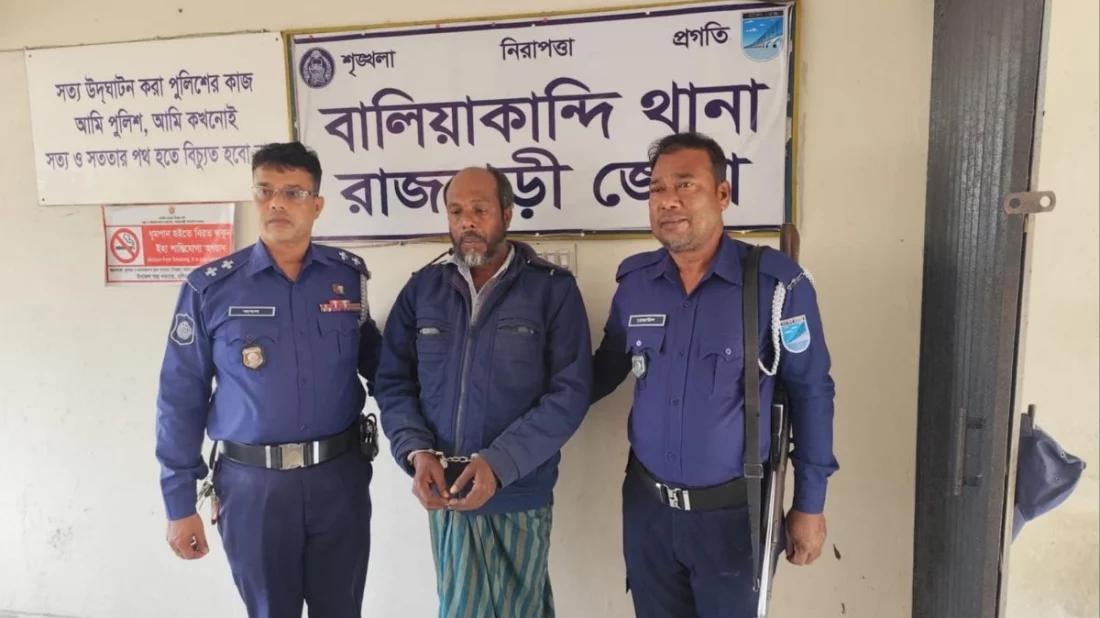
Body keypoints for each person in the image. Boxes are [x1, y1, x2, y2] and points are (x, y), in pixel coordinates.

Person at [591, 132, 838, 618]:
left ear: (723, 194)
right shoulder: (635, 283)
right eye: (657, 189)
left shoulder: (777, 286)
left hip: (734, 519)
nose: (668, 200)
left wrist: (809, 504)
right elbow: (604, 369)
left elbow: (812, 393)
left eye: (686, 185)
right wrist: (532, 411)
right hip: (648, 511)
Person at [154, 141, 382, 618]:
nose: (277, 203)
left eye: (293, 192)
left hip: (338, 481)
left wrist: (422, 443)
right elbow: (180, 397)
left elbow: (382, 369)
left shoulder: (347, 279)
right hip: (253, 489)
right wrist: (179, 502)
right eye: (265, 190)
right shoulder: (210, 288)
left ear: (317, 204)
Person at [375, 165, 593, 618]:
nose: (467, 222)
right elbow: (393, 382)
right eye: (456, 211)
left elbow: (569, 394)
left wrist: (499, 463)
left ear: (506, 215)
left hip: (518, 493)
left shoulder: (551, 290)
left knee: (524, 610)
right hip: (447, 494)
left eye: (480, 210)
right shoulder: (423, 289)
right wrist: (416, 452)